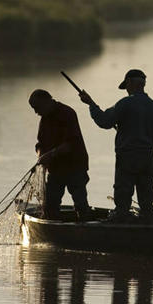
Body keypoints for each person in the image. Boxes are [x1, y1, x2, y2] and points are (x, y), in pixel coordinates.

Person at [79, 69, 153, 223]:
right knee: (147, 193)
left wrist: (91, 104)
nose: (126, 90)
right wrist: (146, 147)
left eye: (126, 86)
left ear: (130, 82)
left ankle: (121, 219)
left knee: (123, 192)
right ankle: (148, 220)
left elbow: (104, 121)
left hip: (127, 155)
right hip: (148, 157)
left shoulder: (125, 103)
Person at [28, 89, 91, 221]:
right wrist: (40, 156)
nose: (36, 112)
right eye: (34, 108)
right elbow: (40, 144)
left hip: (75, 165)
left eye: (37, 107)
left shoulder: (67, 113)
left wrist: (50, 155)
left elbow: (70, 144)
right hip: (56, 168)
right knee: (50, 204)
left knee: (80, 202)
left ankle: (84, 224)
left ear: (46, 101)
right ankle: (52, 224)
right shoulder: (44, 118)